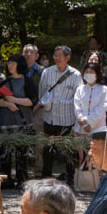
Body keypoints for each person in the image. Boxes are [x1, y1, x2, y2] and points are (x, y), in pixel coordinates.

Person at [37, 46, 80, 183]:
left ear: (67, 58)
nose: (56, 58)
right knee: (48, 148)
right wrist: (45, 102)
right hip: (50, 117)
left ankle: (71, 177)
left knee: (69, 150)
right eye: (55, 55)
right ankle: (46, 177)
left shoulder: (76, 75)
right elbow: (42, 92)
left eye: (59, 55)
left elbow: (78, 97)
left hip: (68, 118)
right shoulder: (47, 72)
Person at [0, 54, 38, 187]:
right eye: (9, 63)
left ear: (20, 64)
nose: (10, 65)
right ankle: (7, 179)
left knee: (22, 153)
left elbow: (32, 101)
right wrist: (8, 104)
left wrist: (14, 100)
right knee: (5, 152)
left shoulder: (28, 81)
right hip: (6, 122)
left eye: (13, 63)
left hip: (22, 122)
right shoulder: (5, 82)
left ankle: (22, 179)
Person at [74, 62, 107, 136]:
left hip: (98, 128)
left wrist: (89, 123)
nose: (88, 74)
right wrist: (83, 123)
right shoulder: (80, 89)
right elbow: (77, 107)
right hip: (81, 128)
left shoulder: (104, 89)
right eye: (86, 72)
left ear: (97, 74)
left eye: (91, 72)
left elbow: (102, 109)